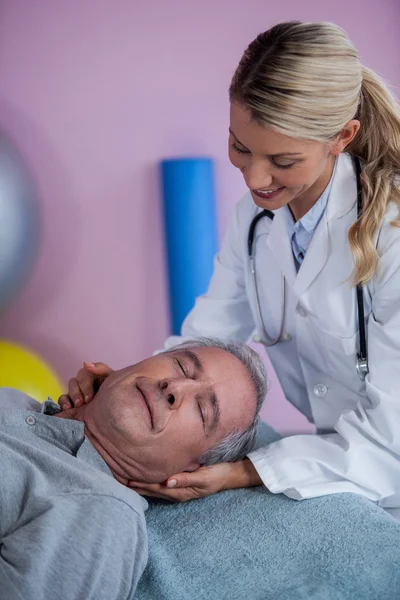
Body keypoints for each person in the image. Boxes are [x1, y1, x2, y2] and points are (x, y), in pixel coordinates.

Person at [61, 21, 400, 515]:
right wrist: (129, 387)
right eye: (240, 147)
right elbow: (205, 341)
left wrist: (246, 471)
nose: (256, 179)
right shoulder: (255, 221)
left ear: (342, 137)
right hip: (339, 474)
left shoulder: (390, 240)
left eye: (282, 160)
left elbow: (392, 442)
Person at [0, 338, 266, 600]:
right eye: (182, 367)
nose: (174, 387)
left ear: (191, 471)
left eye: (203, 409)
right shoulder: (14, 400)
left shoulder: (102, 514)